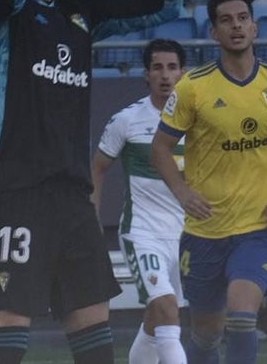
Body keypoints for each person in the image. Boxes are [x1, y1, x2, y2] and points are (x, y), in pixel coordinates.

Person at [0, 0, 186, 364]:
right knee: (7, 347)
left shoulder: (79, 13)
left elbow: (165, 6)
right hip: (14, 193)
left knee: (96, 350)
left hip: (73, 199)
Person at [152, 0, 267, 364]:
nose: (236, 26)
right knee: (206, 335)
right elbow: (160, 148)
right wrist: (182, 192)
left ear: (255, 27)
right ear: (214, 32)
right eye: (226, 20)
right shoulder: (193, 88)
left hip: (258, 228)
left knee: (241, 317)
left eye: (242, 19)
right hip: (205, 232)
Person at [92, 39, 189, 364]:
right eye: (157, 68)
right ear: (146, 74)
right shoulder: (128, 120)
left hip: (186, 235)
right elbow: (98, 168)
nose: (165, 75)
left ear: (183, 73)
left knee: (157, 316)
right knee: (167, 308)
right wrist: (92, 221)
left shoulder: (198, 121)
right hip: (142, 232)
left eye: (172, 67)